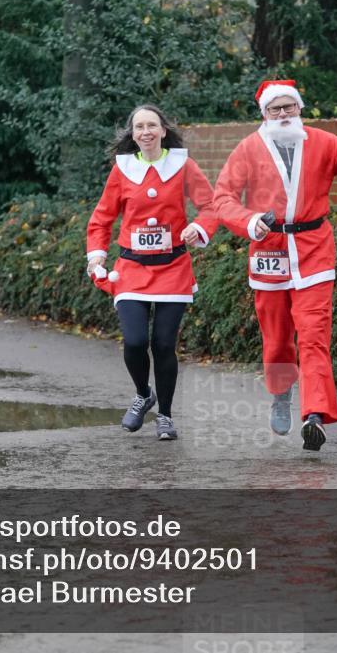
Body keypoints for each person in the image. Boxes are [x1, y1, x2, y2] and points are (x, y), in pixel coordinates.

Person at [213, 79, 337, 451]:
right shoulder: (248, 149)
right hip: (269, 252)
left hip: (313, 251)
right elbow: (222, 198)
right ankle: (280, 395)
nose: (283, 114)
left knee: (313, 336)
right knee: (277, 342)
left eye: (289, 107)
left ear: (300, 110)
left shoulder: (322, 142)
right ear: (264, 114)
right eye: (275, 109)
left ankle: (315, 416)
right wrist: (247, 220)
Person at [86, 104, 218, 441]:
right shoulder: (123, 169)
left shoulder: (182, 165)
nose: (145, 132)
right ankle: (144, 394)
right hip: (130, 268)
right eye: (139, 126)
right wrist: (96, 256)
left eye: (151, 126)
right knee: (134, 342)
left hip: (173, 268)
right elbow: (102, 217)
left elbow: (210, 206)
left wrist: (199, 228)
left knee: (162, 344)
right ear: (132, 133)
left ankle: (166, 416)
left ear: (163, 130)